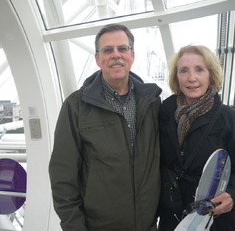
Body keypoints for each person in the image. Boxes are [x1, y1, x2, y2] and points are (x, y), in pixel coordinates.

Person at [49, 23, 162, 231]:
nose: (116, 55)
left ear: (132, 55)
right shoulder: (76, 106)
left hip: (148, 225)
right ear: (97, 58)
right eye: (107, 50)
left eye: (122, 48)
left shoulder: (152, 102)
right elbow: (62, 175)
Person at [157, 44, 235, 231]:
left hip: (213, 218)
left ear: (211, 74)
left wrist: (232, 194)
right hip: (174, 216)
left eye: (199, 69)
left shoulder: (227, 118)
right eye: (184, 71)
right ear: (177, 77)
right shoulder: (164, 114)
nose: (191, 78)